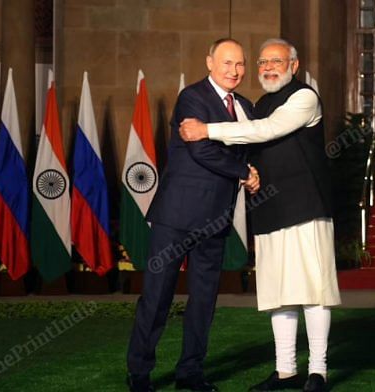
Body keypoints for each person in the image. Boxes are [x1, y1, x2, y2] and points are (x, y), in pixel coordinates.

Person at [180, 38, 341, 392]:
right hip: (269, 208)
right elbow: (250, 143)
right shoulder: (260, 103)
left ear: (294, 65)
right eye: (263, 62)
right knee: (277, 292)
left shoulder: (304, 97)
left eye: (276, 61)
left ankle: (318, 371)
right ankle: (285, 370)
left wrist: (207, 129)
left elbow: (266, 130)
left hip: (306, 206)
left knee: (314, 290)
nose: (267, 67)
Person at [126, 38, 260, 392]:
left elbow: (257, 142)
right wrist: (244, 172)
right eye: (227, 63)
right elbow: (202, 151)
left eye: (240, 64)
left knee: (204, 301)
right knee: (157, 296)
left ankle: (191, 372)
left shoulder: (246, 106)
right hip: (177, 216)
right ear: (210, 63)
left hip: (216, 220)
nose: (235, 71)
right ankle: (139, 374)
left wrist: (254, 168)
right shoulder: (193, 97)